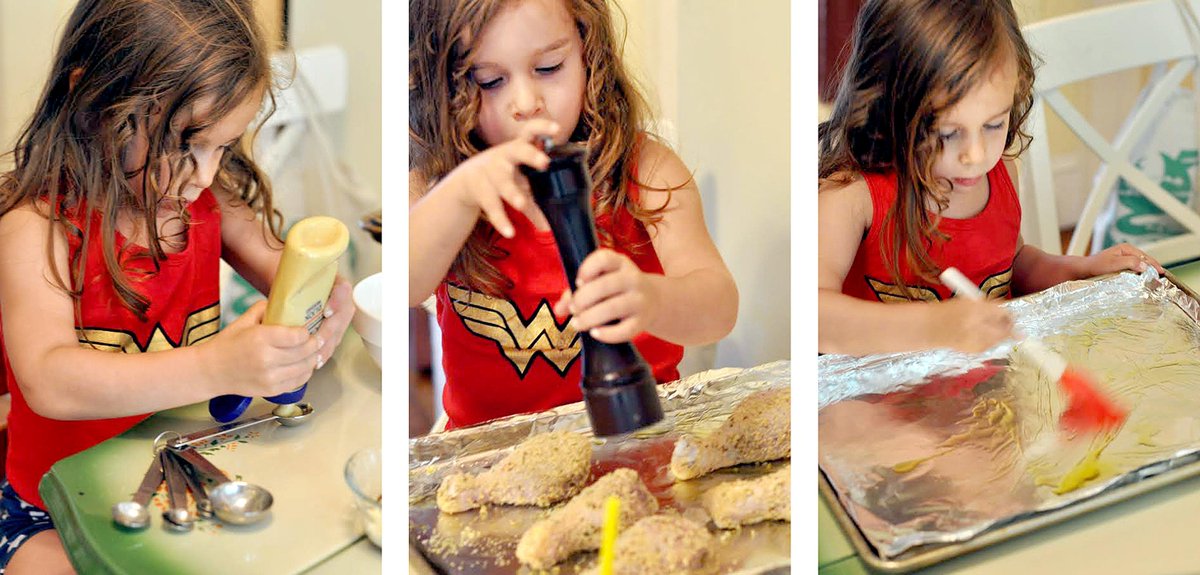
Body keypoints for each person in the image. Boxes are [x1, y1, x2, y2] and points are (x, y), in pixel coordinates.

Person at [0, 0, 353, 570]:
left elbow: (293, 272)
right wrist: (220, 365)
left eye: (222, 147)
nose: (206, 175)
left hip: (188, 476)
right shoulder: (35, 227)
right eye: (186, 142)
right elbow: (50, 382)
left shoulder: (207, 199)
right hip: (48, 503)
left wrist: (324, 301)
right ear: (94, 101)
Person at [409, 0, 738, 429]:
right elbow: (403, 287)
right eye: (488, 81)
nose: (526, 103)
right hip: (490, 465)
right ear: (444, 88)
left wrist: (652, 299)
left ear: (588, 53)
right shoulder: (434, 187)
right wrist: (459, 196)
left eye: (548, 68)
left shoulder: (647, 171)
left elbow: (719, 309)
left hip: (637, 437)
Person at [817, 0, 1163, 356]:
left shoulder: (1000, 175)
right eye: (947, 133)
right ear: (884, 106)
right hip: (877, 406)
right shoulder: (851, 196)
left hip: (984, 397)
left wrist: (1077, 269)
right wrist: (933, 326)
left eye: (993, 124)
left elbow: (1011, 265)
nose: (976, 156)